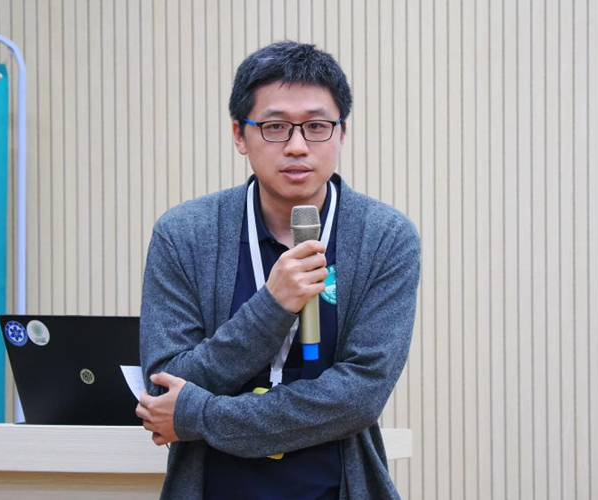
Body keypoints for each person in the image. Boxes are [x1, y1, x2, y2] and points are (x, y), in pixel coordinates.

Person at [136, 41, 421, 500]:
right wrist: (272, 306)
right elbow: (165, 385)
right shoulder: (184, 234)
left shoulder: (385, 237)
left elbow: (359, 395)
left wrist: (202, 415)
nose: (297, 146)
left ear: (342, 133)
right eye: (275, 127)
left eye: (317, 126)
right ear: (239, 135)